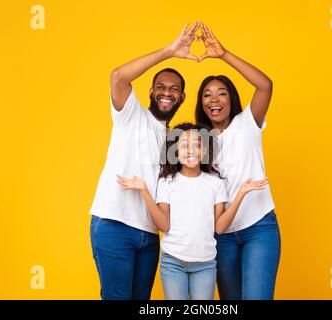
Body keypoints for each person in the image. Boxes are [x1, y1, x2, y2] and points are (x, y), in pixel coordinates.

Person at [89, 22, 202, 300]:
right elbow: (118, 76)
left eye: (174, 89)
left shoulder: (176, 142)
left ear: (182, 96)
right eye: (160, 87)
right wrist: (170, 51)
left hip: (150, 235)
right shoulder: (132, 116)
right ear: (151, 92)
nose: (167, 92)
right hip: (114, 224)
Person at [116, 123, 268, 300]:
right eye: (184, 146)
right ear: (174, 151)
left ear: (204, 150)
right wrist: (144, 191)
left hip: (205, 265)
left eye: (196, 145)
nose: (191, 151)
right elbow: (164, 225)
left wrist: (241, 193)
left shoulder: (216, 184)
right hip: (173, 263)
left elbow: (219, 227)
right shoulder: (166, 183)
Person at [195, 23, 281, 300]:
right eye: (207, 94)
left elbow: (265, 85)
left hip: (259, 227)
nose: (214, 99)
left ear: (231, 98)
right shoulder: (197, 141)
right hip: (220, 235)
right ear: (202, 104)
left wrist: (223, 54)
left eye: (221, 92)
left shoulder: (248, 123)